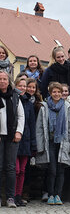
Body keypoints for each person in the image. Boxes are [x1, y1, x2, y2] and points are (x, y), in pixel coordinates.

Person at [35, 82, 70, 205]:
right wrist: (40, 146)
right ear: (50, 93)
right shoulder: (44, 107)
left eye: (59, 92)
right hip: (50, 143)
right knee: (52, 170)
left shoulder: (67, 107)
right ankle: (51, 194)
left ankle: (58, 195)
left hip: (63, 142)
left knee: (60, 170)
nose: (57, 94)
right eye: (54, 92)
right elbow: (40, 128)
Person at [0, 70, 25, 208]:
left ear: (8, 81)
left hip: (12, 137)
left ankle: (10, 197)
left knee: (10, 168)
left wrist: (19, 132)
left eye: (4, 79)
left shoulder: (15, 96)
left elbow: (21, 116)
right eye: (0, 79)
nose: (2, 81)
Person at [14, 78, 36, 207]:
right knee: (15, 170)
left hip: (26, 140)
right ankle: (11, 194)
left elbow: (32, 124)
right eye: (20, 86)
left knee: (22, 170)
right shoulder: (13, 100)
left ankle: (19, 195)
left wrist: (33, 143)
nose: (22, 88)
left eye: (24, 86)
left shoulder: (28, 102)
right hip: (14, 140)